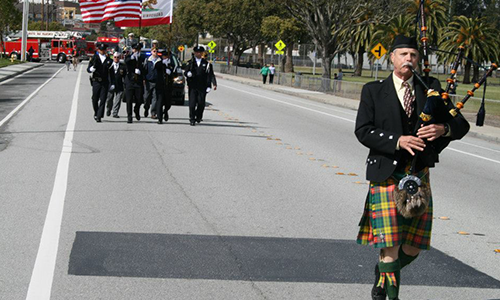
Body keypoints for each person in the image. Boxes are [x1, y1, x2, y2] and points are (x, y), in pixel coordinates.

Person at [354, 35, 470, 300]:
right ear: (391, 58)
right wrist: (397, 140)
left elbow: (461, 125)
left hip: (418, 176)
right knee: (390, 245)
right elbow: (363, 131)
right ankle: (389, 293)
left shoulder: (431, 88)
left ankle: (384, 272)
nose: (409, 59)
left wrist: (443, 128)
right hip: (385, 175)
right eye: (403, 54)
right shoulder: (373, 90)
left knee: (414, 246)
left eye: (413, 55)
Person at [184, 46, 212, 126]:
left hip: (202, 87)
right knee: (192, 104)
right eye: (197, 52)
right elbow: (185, 72)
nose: (198, 53)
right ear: (195, 53)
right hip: (193, 86)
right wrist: (187, 74)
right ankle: (192, 119)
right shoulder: (190, 62)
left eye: (200, 52)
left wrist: (208, 85)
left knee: (201, 103)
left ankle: (198, 116)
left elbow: (208, 75)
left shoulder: (206, 64)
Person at [87, 43, 114, 122]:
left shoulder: (109, 60)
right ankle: (96, 112)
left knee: (103, 99)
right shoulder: (94, 58)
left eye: (103, 50)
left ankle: (99, 115)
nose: (102, 51)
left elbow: (111, 73)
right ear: (98, 50)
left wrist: (112, 83)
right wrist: (92, 69)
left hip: (105, 82)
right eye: (101, 50)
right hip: (96, 81)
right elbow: (88, 69)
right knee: (94, 99)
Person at [143, 47, 167, 123]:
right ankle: (146, 108)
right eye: (154, 51)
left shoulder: (160, 61)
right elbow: (144, 70)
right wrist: (144, 78)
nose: (155, 52)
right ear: (151, 52)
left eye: (156, 51)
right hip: (148, 81)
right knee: (146, 97)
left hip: (157, 82)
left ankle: (153, 113)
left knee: (155, 98)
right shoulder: (147, 60)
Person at [124, 43, 145, 123]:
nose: (136, 51)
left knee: (139, 100)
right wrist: (132, 57)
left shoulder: (142, 58)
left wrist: (141, 72)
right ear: (133, 50)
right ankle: (129, 117)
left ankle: (136, 110)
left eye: (138, 50)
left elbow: (145, 68)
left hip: (138, 82)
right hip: (130, 81)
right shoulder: (129, 57)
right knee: (129, 100)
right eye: (135, 50)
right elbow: (126, 62)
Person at [106, 52, 127, 118]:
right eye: (115, 57)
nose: (116, 59)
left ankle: (115, 113)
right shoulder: (109, 65)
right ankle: (109, 109)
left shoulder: (123, 66)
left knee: (118, 100)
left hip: (119, 85)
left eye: (118, 57)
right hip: (110, 85)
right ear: (113, 57)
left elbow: (125, 76)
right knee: (109, 99)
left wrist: (125, 84)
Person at [161, 51, 176, 122]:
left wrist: (170, 70)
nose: (165, 57)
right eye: (164, 56)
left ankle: (166, 110)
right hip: (161, 85)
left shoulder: (172, 63)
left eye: (167, 56)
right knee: (160, 101)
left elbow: (175, 72)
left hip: (169, 85)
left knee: (168, 102)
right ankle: (160, 114)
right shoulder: (160, 63)